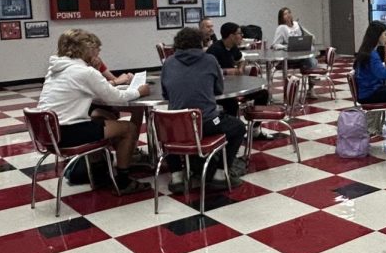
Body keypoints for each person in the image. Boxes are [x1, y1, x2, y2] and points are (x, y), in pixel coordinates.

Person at [36, 28, 150, 195]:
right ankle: (124, 181)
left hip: (49, 133)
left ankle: (100, 172)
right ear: (86, 49)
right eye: (96, 49)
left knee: (101, 117)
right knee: (129, 129)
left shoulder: (56, 70)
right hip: (68, 132)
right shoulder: (84, 72)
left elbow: (97, 90)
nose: (98, 53)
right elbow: (117, 97)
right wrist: (139, 92)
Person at [160, 26, 246, 192]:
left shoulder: (168, 63)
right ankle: (220, 173)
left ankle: (177, 176)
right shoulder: (210, 60)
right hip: (206, 122)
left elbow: (166, 93)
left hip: (178, 126)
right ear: (200, 43)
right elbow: (219, 90)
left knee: (166, 131)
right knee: (237, 127)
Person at [271, 6, 319, 97]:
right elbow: (275, 45)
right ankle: (310, 86)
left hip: (301, 55)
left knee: (311, 60)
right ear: (281, 17)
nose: (288, 15)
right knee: (312, 62)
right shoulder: (281, 28)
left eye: (289, 12)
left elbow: (303, 38)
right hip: (289, 58)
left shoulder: (297, 25)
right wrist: (286, 47)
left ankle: (311, 88)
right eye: (285, 14)